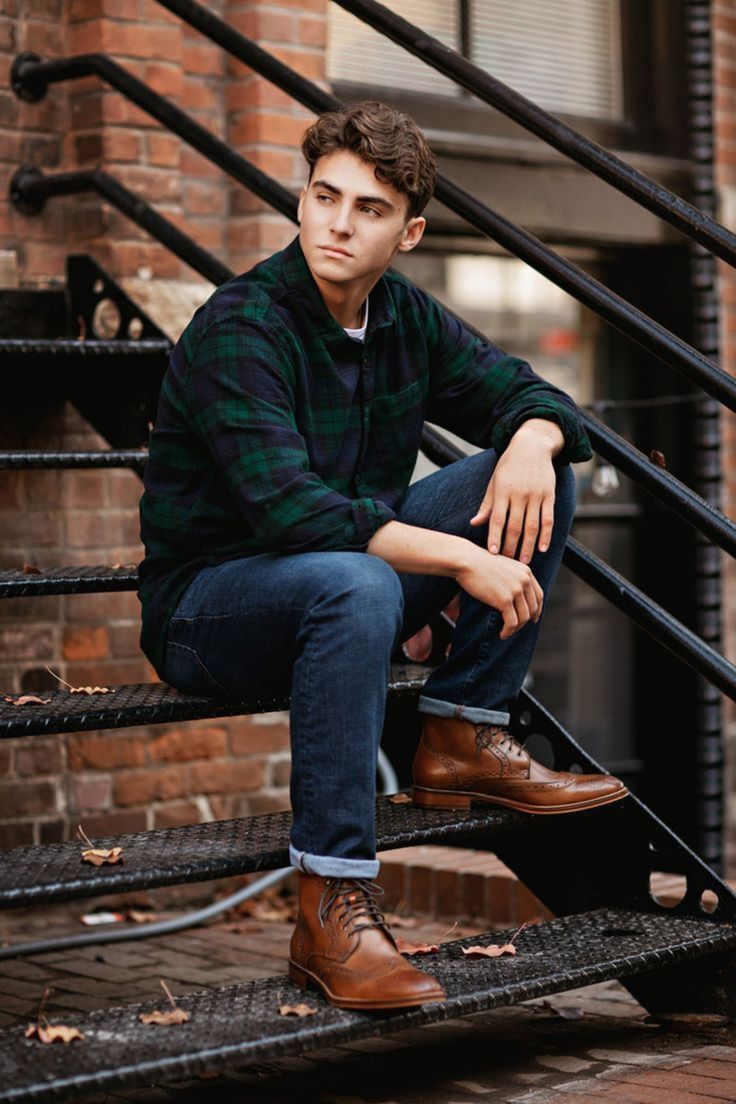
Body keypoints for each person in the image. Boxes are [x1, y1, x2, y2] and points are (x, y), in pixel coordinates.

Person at [138, 100, 628, 1013]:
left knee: (541, 471)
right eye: (325, 196)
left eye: (367, 209)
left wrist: (531, 438)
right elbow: (292, 510)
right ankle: (330, 905)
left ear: (409, 232)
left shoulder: (400, 317)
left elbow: (532, 394)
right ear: (301, 198)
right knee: (356, 580)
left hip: (342, 580)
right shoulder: (242, 325)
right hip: (209, 606)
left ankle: (460, 729)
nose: (337, 222)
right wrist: (458, 562)